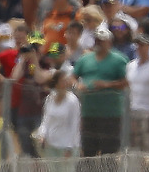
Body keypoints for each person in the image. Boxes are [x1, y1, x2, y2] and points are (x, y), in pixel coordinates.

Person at [73, 27, 127, 156]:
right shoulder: (85, 59)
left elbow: (126, 81)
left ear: (109, 42)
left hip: (110, 114)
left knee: (109, 152)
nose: (98, 43)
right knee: (88, 150)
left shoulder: (119, 60)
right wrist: (77, 85)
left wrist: (107, 85)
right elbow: (72, 77)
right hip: (88, 113)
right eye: (96, 40)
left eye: (102, 40)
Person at [37, 69, 81, 169]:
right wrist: (42, 135)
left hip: (67, 147)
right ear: (55, 83)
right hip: (51, 145)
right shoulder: (49, 98)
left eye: (66, 80)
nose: (65, 83)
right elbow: (46, 120)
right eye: (62, 81)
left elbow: (75, 125)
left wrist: (69, 147)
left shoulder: (73, 101)